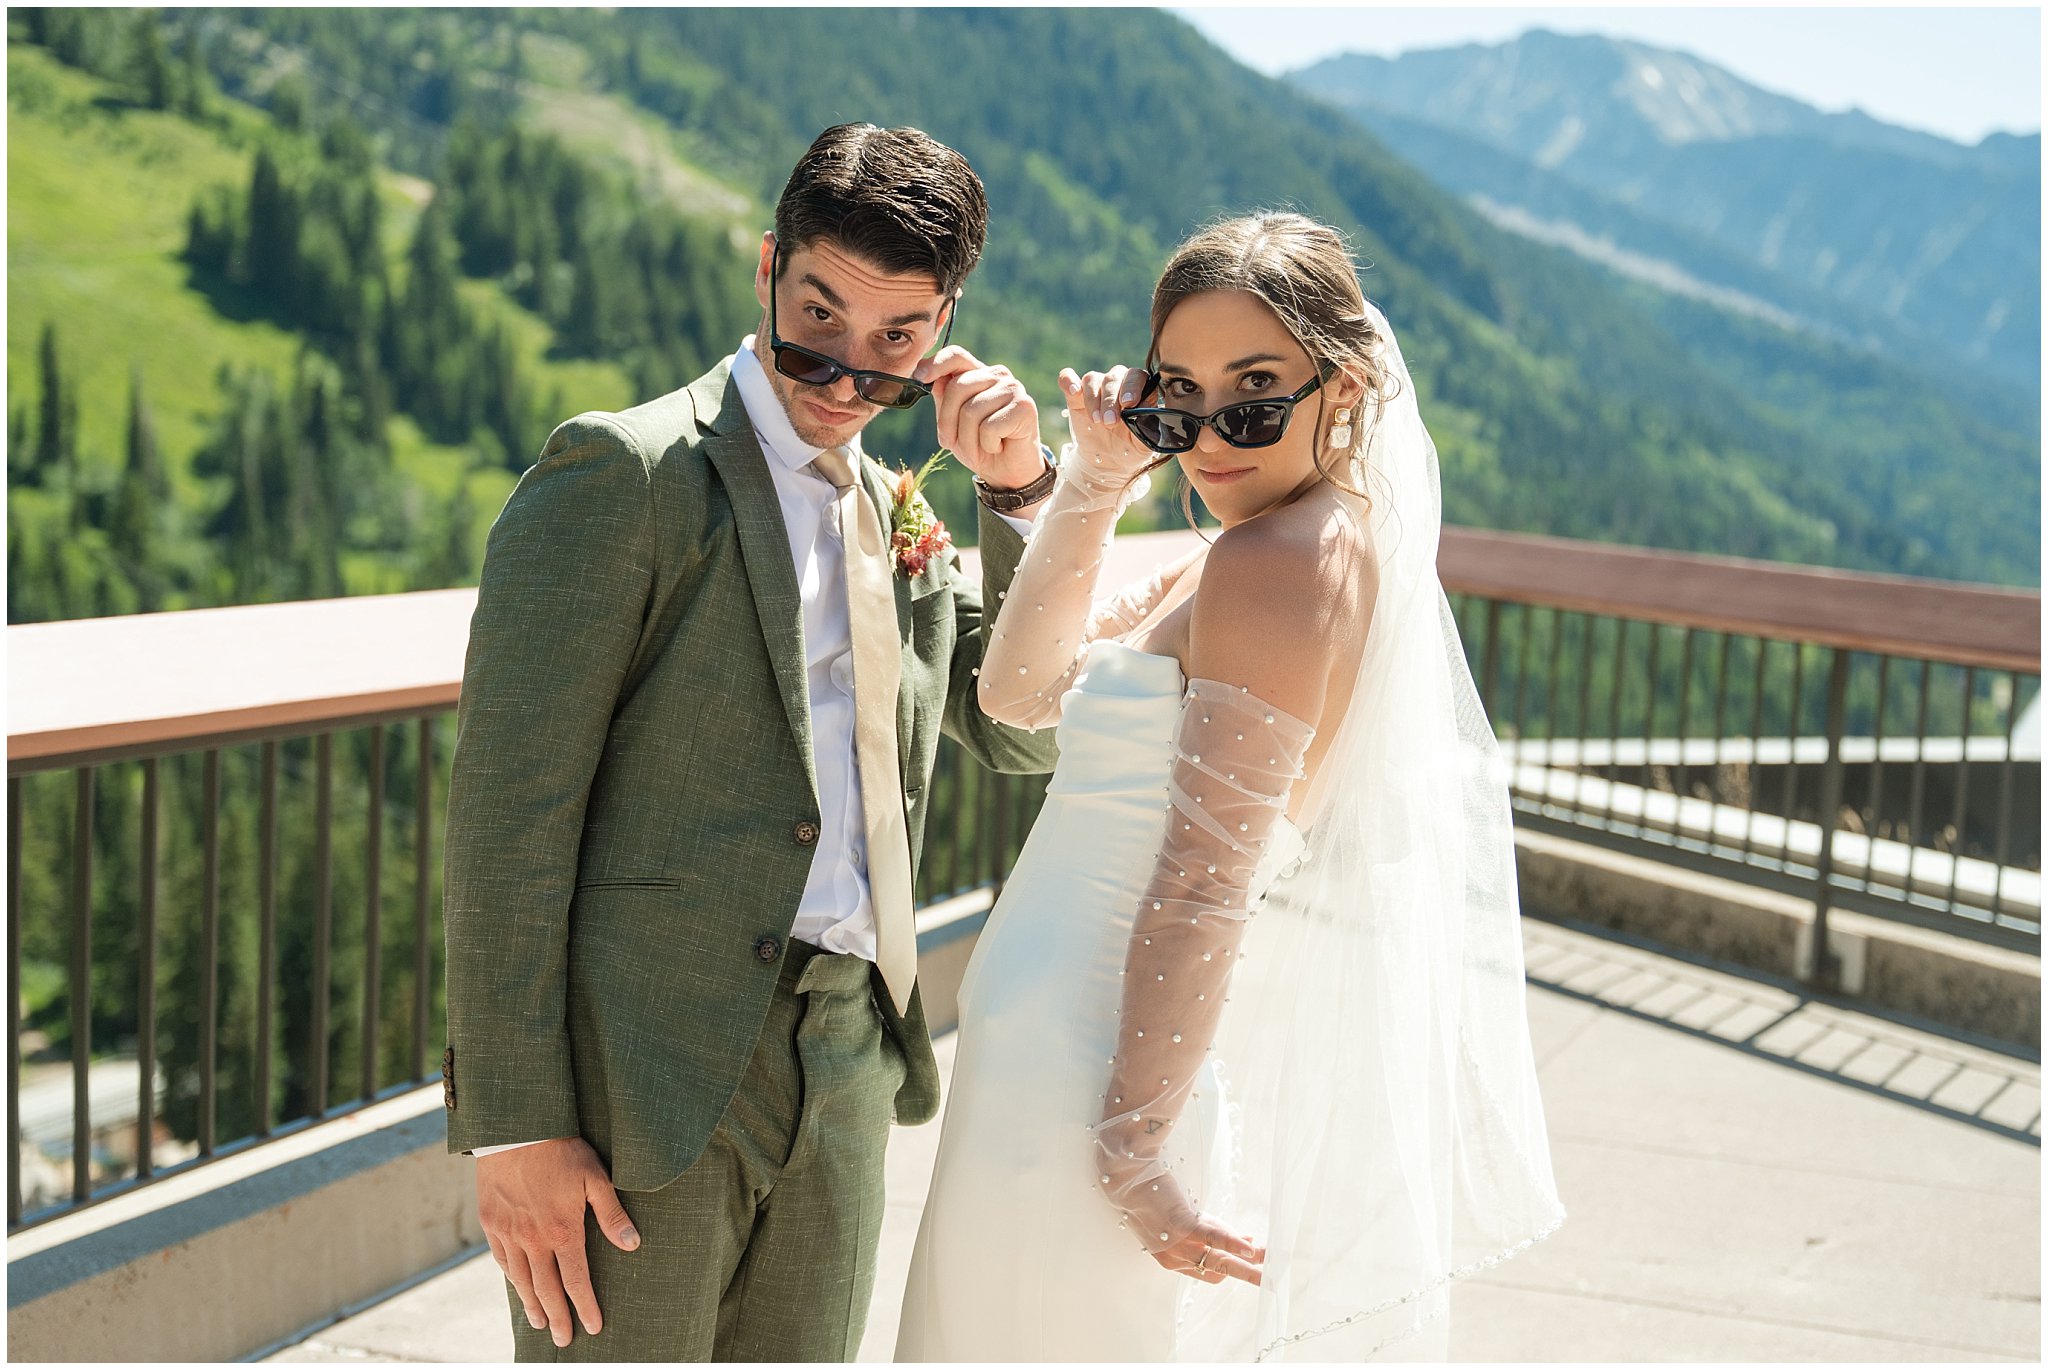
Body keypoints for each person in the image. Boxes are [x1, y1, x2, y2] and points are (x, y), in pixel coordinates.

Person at [440, 122, 1062, 1361]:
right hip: (643, 1077)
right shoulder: (625, 473)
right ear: (768, 265)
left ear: (944, 330)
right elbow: (507, 818)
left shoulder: (899, 506)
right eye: (817, 318)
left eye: (897, 342)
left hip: (846, 1064)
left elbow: (1021, 733)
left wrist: (1015, 497)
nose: (844, 379)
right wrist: (515, 1129)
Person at [895, 212, 1566, 1362]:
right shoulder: (1260, 542)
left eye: (1252, 398)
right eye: (1176, 399)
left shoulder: (1277, 561)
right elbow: (1015, 689)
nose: (1208, 438)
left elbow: (1207, 873)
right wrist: (1098, 476)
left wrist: (1129, 1142)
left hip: (1085, 1059)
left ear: (1343, 388)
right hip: (1054, 1039)